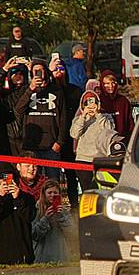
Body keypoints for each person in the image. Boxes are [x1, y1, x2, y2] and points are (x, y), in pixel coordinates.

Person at [14, 59, 67, 181]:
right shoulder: (25, 89)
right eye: (35, 70)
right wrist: (31, 89)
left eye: (40, 70)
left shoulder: (57, 90)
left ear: (46, 72)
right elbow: (18, 110)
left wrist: (60, 142)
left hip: (52, 145)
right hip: (31, 145)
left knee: (53, 180)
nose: (38, 73)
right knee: (32, 180)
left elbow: (63, 118)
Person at [0, 163, 35, 264]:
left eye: (9, 178)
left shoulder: (27, 198)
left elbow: (29, 217)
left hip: (22, 254)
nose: (5, 182)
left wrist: (17, 198)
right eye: (2, 179)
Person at [71, 91, 121, 192]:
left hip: (101, 159)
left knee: (103, 190)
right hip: (83, 159)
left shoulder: (106, 117)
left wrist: (98, 114)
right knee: (87, 191)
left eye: (93, 102)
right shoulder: (78, 119)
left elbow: (109, 130)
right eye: (87, 102)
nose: (90, 105)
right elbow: (74, 134)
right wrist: (83, 116)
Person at [51, 57, 82, 208]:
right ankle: (53, 208)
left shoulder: (75, 91)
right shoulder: (49, 91)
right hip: (52, 139)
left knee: (71, 175)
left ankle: (74, 207)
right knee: (52, 177)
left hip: (70, 139)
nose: (59, 72)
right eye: (55, 69)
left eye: (61, 69)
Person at [32, 179, 73, 263]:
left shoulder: (64, 211)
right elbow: (34, 234)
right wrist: (45, 219)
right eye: (49, 193)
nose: (52, 195)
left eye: (55, 193)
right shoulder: (36, 210)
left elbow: (72, 232)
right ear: (44, 194)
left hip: (61, 256)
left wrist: (61, 217)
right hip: (42, 257)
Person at [0, 58, 30, 156]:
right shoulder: (6, 93)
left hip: (27, 134)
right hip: (10, 135)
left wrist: (31, 70)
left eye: (21, 74)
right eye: (15, 74)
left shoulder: (28, 90)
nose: (18, 76)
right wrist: (4, 69)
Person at [98, 70, 134, 139]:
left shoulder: (123, 101)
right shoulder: (99, 101)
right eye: (107, 83)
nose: (110, 86)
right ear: (102, 84)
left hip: (121, 139)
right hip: (103, 140)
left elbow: (130, 122)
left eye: (113, 83)